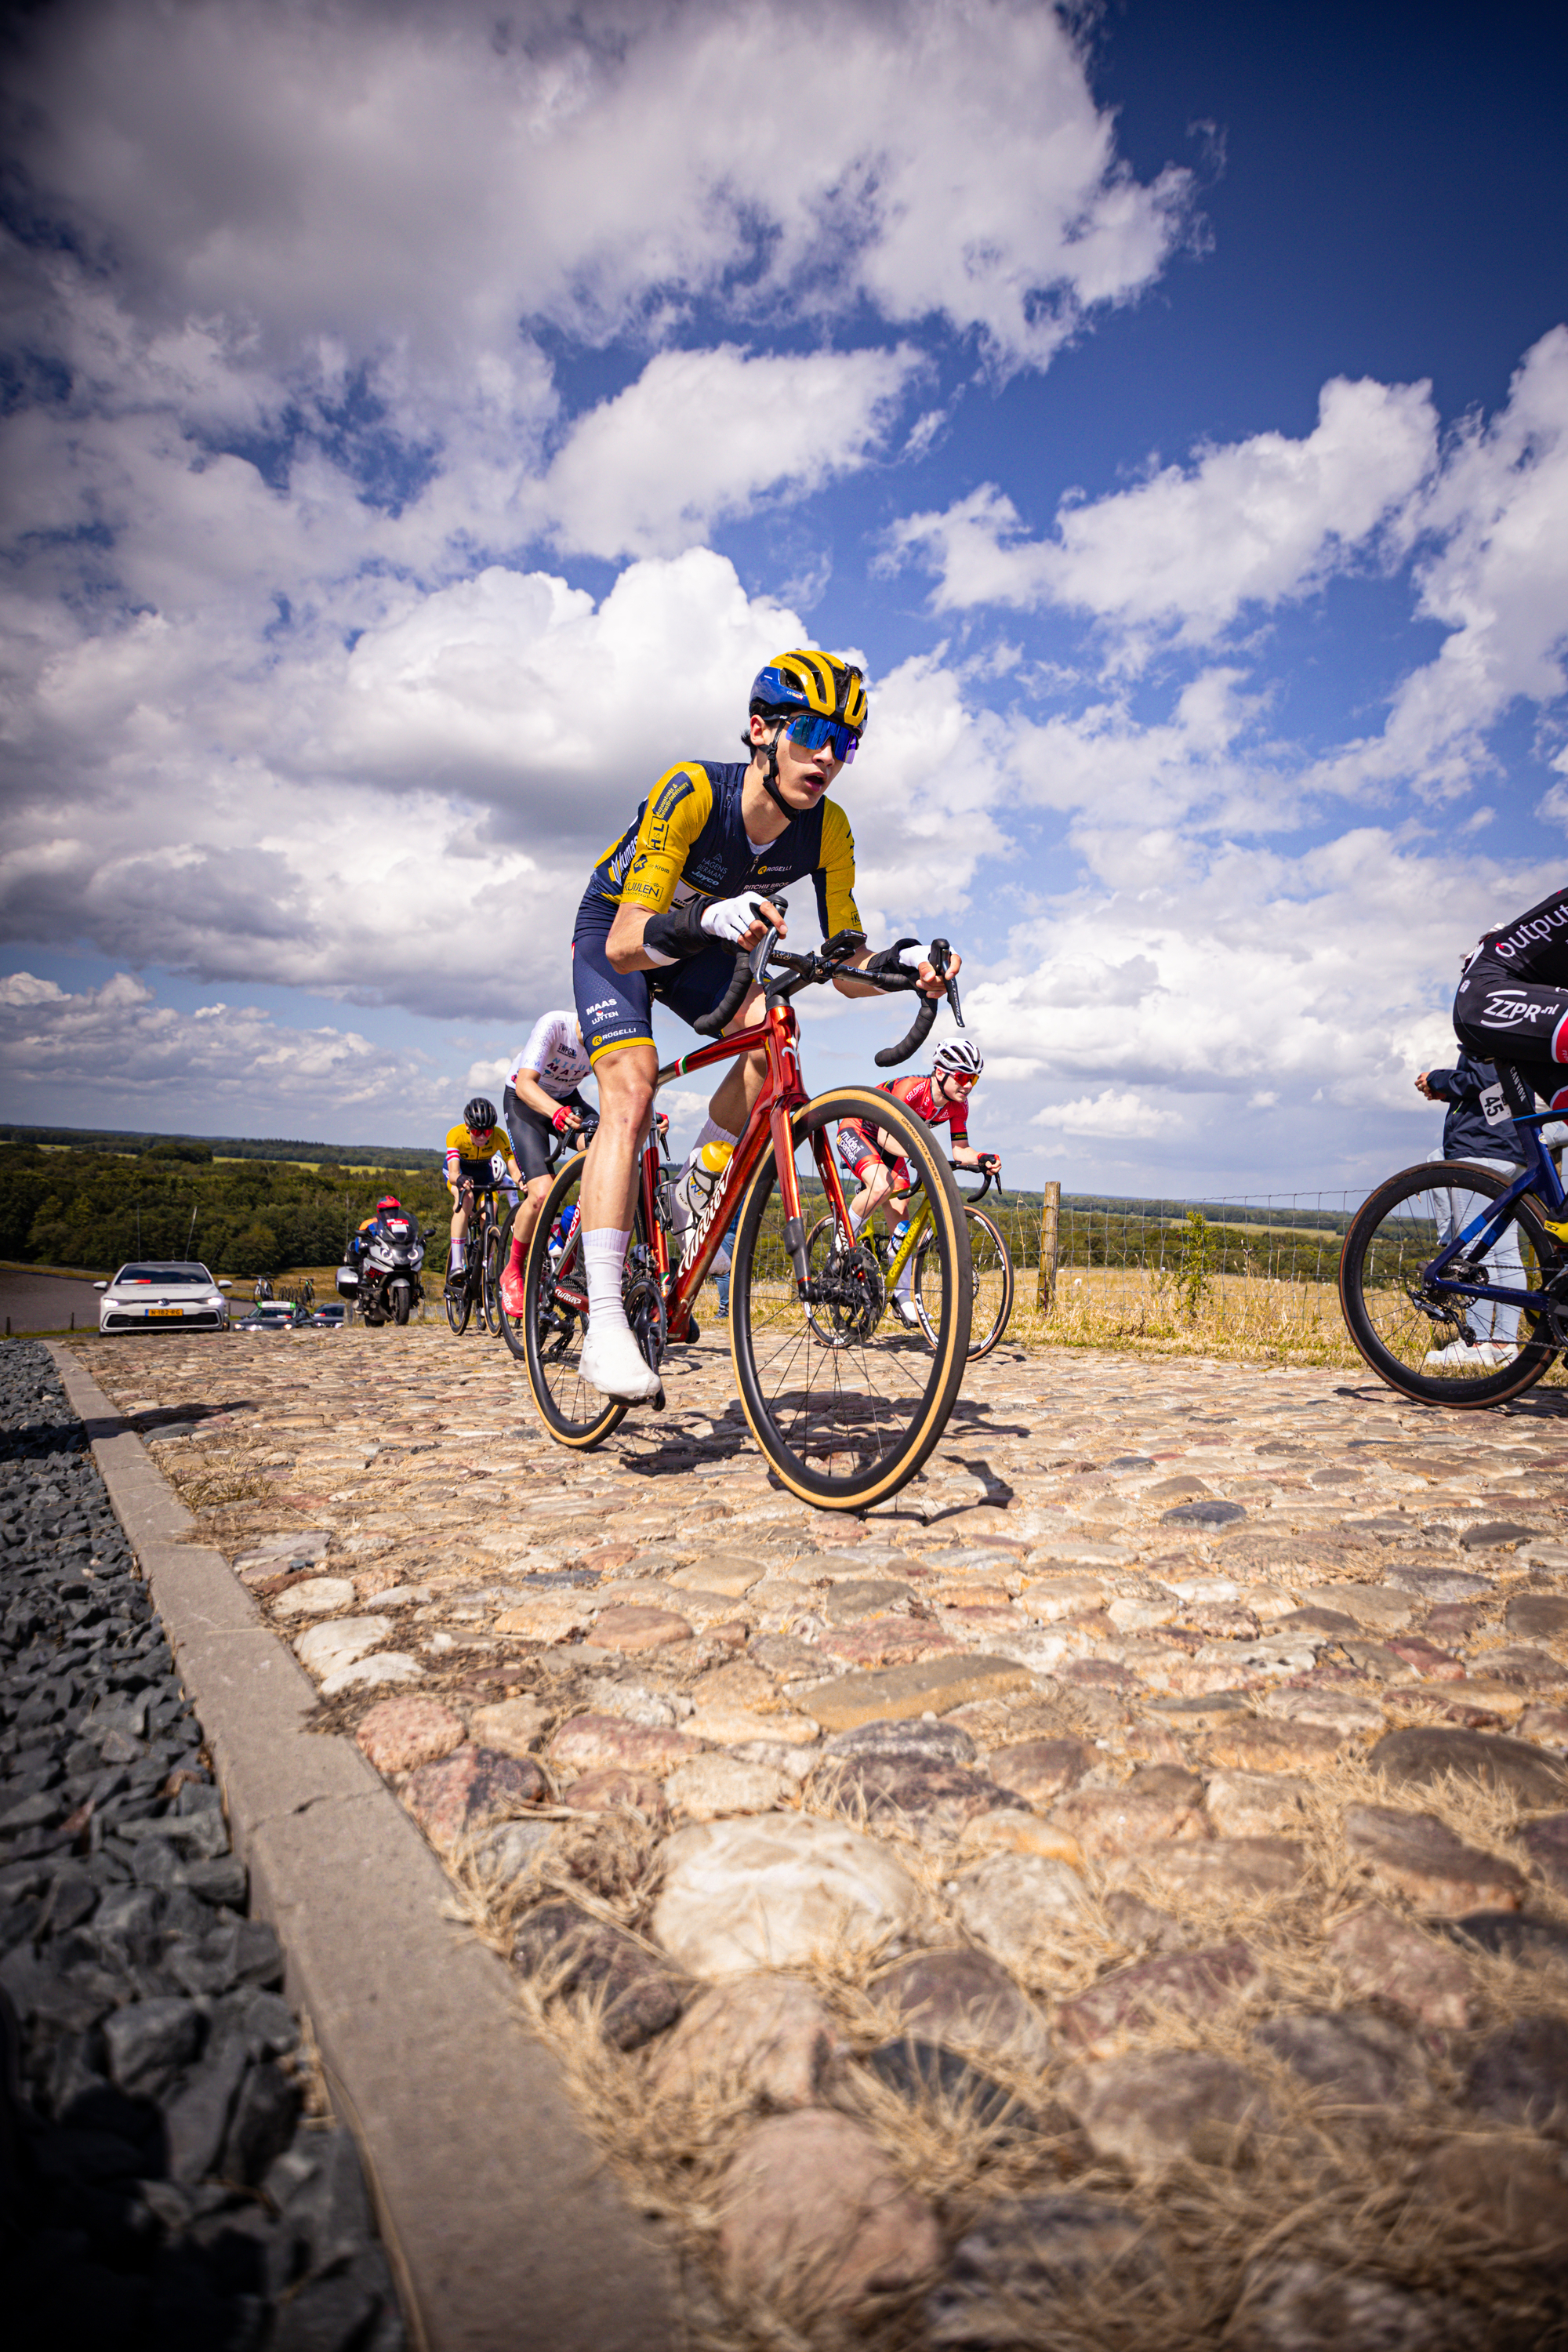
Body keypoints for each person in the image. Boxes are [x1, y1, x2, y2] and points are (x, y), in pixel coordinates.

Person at [570, 648, 960, 1400]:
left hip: (705, 940)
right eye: (812, 731)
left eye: (844, 742)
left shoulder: (830, 829)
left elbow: (848, 966)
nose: (827, 755)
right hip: (619, 932)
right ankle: (607, 1323)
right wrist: (710, 915)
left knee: (772, 1027)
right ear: (760, 730)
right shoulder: (691, 793)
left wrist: (905, 964)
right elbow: (626, 941)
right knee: (633, 1088)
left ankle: (699, 1184)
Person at [1417, 1043, 1568, 1367]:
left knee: (1472, 1248)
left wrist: (1440, 1081)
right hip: (1509, 1150)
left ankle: (1477, 1343)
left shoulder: (1489, 1034)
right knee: (1504, 1250)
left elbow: (1484, 1079)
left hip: (1480, 1146)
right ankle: (1503, 1344)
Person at [836, 1038, 998, 1325]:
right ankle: (841, 1239)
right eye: (962, 1077)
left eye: (973, 1078)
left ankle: (901, 1295)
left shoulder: (958, 1107)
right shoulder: (911, 1089)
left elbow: (960, 1150)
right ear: (940, 1072)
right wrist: (925, 1156)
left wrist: (983, 1158)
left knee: (902, 1220)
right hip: (859, 1129)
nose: (969, 1085)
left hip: (897, 1142)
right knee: (883, 1184)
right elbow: (886, 1137)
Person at [497, 1013, 595, 1314]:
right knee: (541, 1195)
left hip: (567, 1098)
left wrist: (646, 1117)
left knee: (611, 1150)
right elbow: (526, 1085)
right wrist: (556, 1113)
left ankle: (575, 1256)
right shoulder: (555, 1025)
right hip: (525, 1100)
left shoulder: (611, 1040)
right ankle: (512, 1270)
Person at [442, 1097, 521, 1294]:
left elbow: (513, 1166)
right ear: (468, 1127)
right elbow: (452, 1173)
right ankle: (457, 1265)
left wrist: (522, 1181)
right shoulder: (455, 1135)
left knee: (491, 1211)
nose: (483, 1137)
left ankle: (486, 1264)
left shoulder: (499, 1136)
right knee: (466, 1199)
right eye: (477, 1131)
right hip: (460, 1174)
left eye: (487, 1131)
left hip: (484, 1174)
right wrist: (459, 1179)